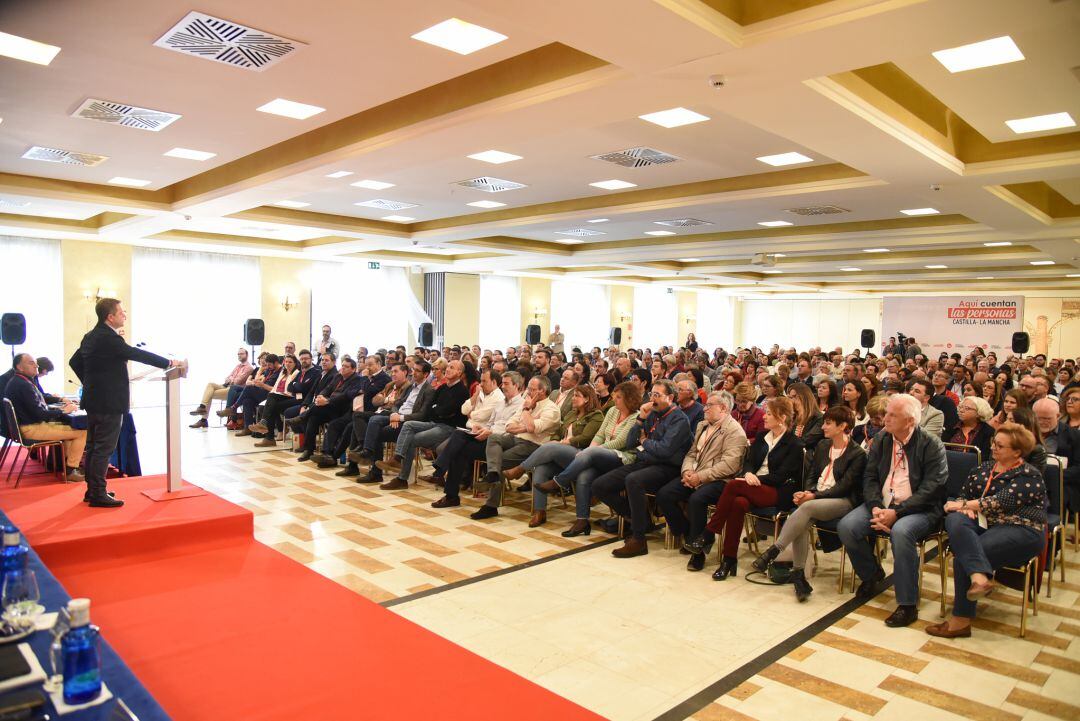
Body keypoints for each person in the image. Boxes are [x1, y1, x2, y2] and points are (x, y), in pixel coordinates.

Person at [927, 423, 1046, 638]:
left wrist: (966, 506)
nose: (993, 448)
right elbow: (962, 495)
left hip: (1021, 528)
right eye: (993, 443)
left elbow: (1000, 502)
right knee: (954, 520)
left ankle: (961, 620)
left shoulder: (1029, 475)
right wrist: (964, 507)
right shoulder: (982, 469)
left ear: (1017, 451)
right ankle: (980, 578)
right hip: (984, 524)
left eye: (1000, 446)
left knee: (964, 555)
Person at [838, 393, 947, 628]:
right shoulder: (882, 439)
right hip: (883, 503)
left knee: (901, 533)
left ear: (910, 421)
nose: (885, 418)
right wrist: (876, 505)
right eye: (886, 413)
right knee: (847, 526)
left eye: (892, 415)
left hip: (919, 508)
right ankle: (871, 574)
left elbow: (933, 487)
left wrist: (897, 512)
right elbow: (869, 476)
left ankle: (907, 605)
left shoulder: (931, 444)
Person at [69, 298, 177, 507]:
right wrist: (169, 362)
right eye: (121, 312)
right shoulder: (109, 338)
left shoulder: (90, 336)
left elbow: (74, 362)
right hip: (109, 402)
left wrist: (91, 383)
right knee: (103, 448)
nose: (124, 315)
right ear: (110, 317)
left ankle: (93, 491)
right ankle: (98, 493)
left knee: (93, 447)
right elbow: (137, 354)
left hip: (93, 399)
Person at [753, 405, 868, 601]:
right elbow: (812, 474)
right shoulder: (823, 446)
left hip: (843, 501)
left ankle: (776, 549)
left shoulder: (857, 454)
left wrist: (814, 497)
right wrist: (808, 491)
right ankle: (799, 576)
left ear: (842, 426)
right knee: (802, 519)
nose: (823, 427)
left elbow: (845, 486)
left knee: (804, 508)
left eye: (828, 423)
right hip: (816, 498)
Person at [690, 396, 802, 580]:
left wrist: (754, 478)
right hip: (751, 486)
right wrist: (749, 473)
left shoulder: (794, 444)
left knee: (734, 484)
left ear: (781, 417)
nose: (764, 417)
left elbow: (782, 476)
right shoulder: (761, 437)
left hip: (777, 491)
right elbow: (748, 462)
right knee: (738, 503)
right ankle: (728, 560)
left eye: (768, 413)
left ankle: (709, 533)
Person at [594, 379, 691, 557]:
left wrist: (645, 441)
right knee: (600, 485)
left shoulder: (679, 419)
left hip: (668, 468)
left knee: (634, 480)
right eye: (651, 394)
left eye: (657, 395)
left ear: (670, 397)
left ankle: (639, 539)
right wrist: (640, 420)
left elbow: (665, 450)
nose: (652, 399)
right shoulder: (652, 414)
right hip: (645, 461)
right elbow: (631, 443)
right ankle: (643, 519)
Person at [538, 381, 642, 537]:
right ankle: (582, 521)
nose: (615, 400)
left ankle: (559, 481)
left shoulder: (636, 417)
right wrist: (591, 449)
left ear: (630, 399)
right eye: (615, 396)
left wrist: (592, 450)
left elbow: (621, 442)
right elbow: (600, 434)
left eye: (619, 397)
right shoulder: (613, 411)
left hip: (622, 456)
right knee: (584, 476)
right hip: (600, 454)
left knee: (589, 453)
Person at [657, 391, 747, 572]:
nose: (704, 408)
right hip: (695, 474)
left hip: (720, 480)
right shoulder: (703, 425)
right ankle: (690, 535)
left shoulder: (735, 431)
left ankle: (698, 553)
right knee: (664, 495)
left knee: (697, 499)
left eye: (709, 405)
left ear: (723, 408)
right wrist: (688, 471)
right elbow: (691, 453)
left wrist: (701, 477)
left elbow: (729, 466)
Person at [510, 384, 604, 528]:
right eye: (573, 395)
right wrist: (555, 438)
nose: (573, 398)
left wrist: (567, 442)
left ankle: (520, 469)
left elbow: (587, 437)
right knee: (541, 468)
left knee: (552, 447)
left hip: (581, 454)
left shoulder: (596, 415)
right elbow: (558, 431)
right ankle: (539, 511)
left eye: (577, 396)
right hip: (562, 453)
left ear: (587, 399)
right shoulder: (571, 414)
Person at [429, 371, 524, 508]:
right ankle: (448, 488)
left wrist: (489, 431)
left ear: (517, 386)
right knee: (458, 436)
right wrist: (481, 428)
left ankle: (443, 476)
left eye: (506, 383)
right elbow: (490, 422)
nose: (502, 386)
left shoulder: (521, 405)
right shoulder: (501, 403)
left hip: (501, 444)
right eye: (502, 383)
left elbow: (511, 430)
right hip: (487, 437)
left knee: (458, 449)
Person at [375, 360, 469, 490]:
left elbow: (447, 411)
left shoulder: (462, 391)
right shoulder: (442, 388)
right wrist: (439, 410)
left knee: (412, 440)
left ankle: (402, 478)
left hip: (449, 428)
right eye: (447, 367)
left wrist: (439, 410)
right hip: (434, 423)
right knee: (408, 425)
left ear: (459, 372)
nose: (447, 369)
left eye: (451, 368)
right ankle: (397, 458)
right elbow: (432, 409)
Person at [3, 353, 86, 482]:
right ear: (19, 367)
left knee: (72, 427)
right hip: (31, 428)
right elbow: (40, 414)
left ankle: (68, 468)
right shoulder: (23, 385)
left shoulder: (19, 381)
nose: (36, 365)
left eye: (35, 362)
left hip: (29, 426)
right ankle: (70, 471)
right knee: (82, 432)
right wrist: (63, 410)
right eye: (31, 363)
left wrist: (60, 410)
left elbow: (38, 408)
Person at [295, 358, 363, 462]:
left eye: (346, 367)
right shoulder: (338, 376)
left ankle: (302, 417)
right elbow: (328, 388)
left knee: (329, 422)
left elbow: (346, 396)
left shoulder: (357, 379)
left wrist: (327, 401)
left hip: (343, 410)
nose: (343, 368)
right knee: (313, 418)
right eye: (343, 365)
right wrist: (321, 396)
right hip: (331, 408)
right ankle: (309, 450)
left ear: (353, 369)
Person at [251, 350, 319, 445]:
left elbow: (304, 387)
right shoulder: (300, 373)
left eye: (306, 358)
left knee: (271, 403)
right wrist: (297, 385)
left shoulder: (314, 372)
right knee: (270, 401)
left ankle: (269, 436)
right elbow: (290, 386)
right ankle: (268, 433)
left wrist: (296, 385)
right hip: (292, 396)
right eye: (302, 359)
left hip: (301, 399)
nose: (304, 360)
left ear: (311, 359)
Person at [1034, 398, 1080, 512]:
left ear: (1058, 416)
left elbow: (1078, 468)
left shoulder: (1074, 436)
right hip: (1031, 479)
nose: (1041, 422)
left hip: (1062, 482)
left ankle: (1052, 525)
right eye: (1038, 418)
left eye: (1047, 419)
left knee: (1053, 492)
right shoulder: (1025, 433)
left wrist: (1053, 476)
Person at [189, 348, 254, 427]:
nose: (239, 355)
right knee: (210, 384)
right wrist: (230, 379)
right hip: (226, 386)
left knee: (209, 394)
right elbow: (227, 377)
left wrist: (230, 379)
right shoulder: (238, 366)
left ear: (246, 355)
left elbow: (237, 381)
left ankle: (203, 419)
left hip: (233, 391)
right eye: (238, 354)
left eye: (241, 354)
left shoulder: (249, 368)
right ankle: (202, 407)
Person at [787, 382, 824, 451]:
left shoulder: (819, 418)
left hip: (809, 455)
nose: (792, 401)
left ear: (805, 397)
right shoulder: (793, 417)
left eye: (795, 397)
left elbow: (807, 441)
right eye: (790, 397)